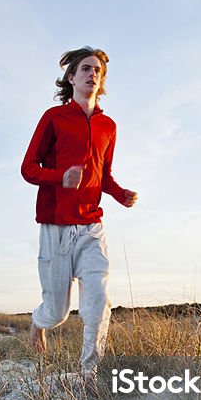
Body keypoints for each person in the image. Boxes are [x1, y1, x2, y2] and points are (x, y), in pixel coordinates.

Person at [21, 46, 138, 378]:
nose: (93, 74)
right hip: (55, 227)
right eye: (87, 68)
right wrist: (60, 176)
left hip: (91, 227)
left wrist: (119, 194)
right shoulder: (53, 118)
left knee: (98, 300)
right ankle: (37, 322)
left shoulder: (109, 127)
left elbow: (104, 176)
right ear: (71, 77)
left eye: (98, 71)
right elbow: (28, 168)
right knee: (58, 313)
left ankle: (91, 375)